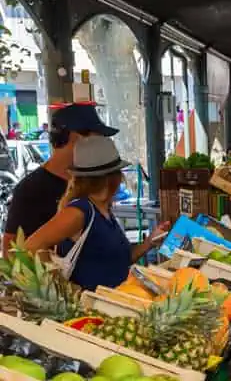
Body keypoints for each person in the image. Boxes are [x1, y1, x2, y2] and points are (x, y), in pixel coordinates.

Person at [24, 135, 170, 290]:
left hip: (114, 303)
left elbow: (119, 263)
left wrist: (149, 242)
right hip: (88, 307)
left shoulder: (103, 210)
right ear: (111, 178)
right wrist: (59, 283)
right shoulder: (79, 211)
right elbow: (31, 246)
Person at [5, 104, 118, 254]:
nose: (101, 145)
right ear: (75, 136)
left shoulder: (91, 181)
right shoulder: (30, 189)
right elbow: (11, 251)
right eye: (97, 138)